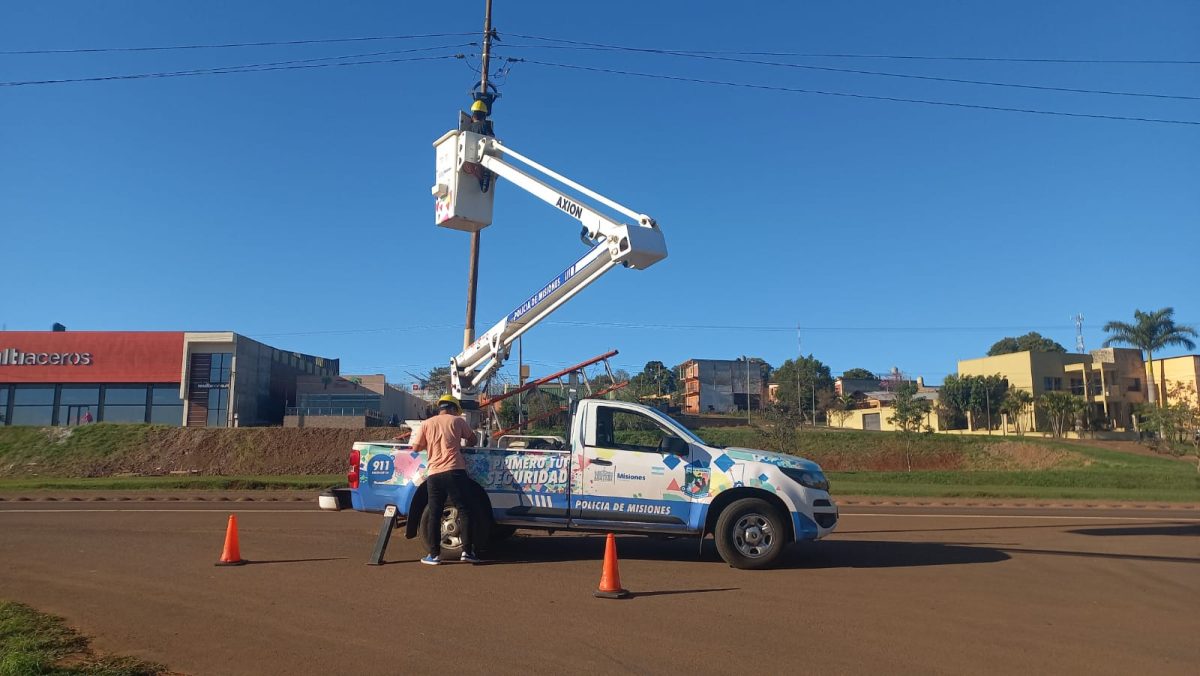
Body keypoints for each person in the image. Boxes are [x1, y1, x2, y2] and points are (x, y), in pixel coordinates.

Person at [410, 394, 481, 565]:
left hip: (434, 474)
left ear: (440, 407)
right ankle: (467, 552)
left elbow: (416, 447)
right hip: (455, 471)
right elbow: (473, 439)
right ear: (454, 408)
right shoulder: (457, 421)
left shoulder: (427, 424)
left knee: (435, 513)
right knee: (464, 510)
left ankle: (434, 555)